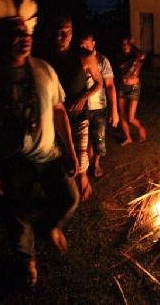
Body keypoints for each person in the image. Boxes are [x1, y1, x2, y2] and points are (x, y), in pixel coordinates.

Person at [0, 0, 80, 286]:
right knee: (17, 216)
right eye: (15, 32)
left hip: (48, 155)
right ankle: (27, 262)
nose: (24, 36)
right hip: (12, 163)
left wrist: (71, 151)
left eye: (26, 31)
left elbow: (59, 111)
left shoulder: (43, 69)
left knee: (69, 198)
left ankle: (51, 226)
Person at [47, 16, 103, 201]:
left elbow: (99, 83)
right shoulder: (46, 58)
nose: (63, 36)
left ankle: (83, 183)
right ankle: (65, 193)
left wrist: (84, 97)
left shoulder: (85, 56)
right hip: (54, 118)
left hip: (79, 117)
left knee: (80, 157)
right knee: (59, 156)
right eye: (59, 32)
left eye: (67, 32)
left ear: (72, 32)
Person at [80, 31, 119, 177]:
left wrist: (114, 110)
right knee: (85, 139)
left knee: (99, 138)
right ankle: (86, 164)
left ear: (93, 43)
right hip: (82, 108)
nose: (83, 47)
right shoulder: (78, 59)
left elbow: (109, 85)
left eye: (86, 44)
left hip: (99, 107)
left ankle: (96, 163)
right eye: (81, 44)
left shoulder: (102, 60)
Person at [115, 34, 147, 146]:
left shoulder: (136, 56)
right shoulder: (119, 56)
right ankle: (128, 138)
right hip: (122, 88)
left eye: (127, 44)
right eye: (123, 44)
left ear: (130, 44)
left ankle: (141, 129)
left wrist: (133, 45)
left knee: (131, 118)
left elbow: (143, 55)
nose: (124, 46)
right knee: (122, 114)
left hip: (134, 87)